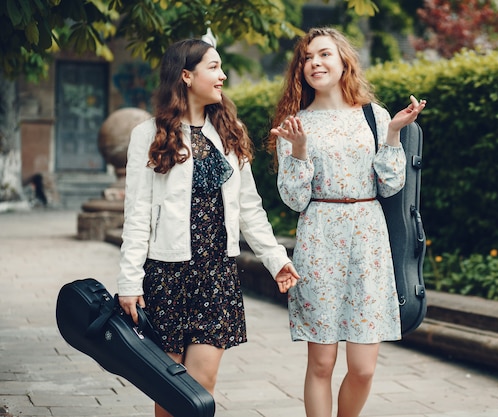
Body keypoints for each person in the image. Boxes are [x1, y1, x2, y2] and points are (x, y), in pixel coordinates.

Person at [116, 38, 299, 417]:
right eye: (213, 67)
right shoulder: (148, 135)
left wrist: (275, 259)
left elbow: (249, 207)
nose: (223, 75)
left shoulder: (229, 131)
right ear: (186, 75)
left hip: (216, 275)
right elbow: (136, 215)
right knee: (170, 390)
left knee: (203, 388)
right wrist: (129, 282)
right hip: (167, 274)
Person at [267, 27, 427, 417]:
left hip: (367, 238)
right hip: (319, 237)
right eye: (307, 57)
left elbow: (390, 186)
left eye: (323, 54)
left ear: (344, 62)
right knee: (321, 364)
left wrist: (392, 135)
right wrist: (300, 151)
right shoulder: (296, 124)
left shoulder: (375, 116)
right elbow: (293, 199)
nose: (314, 63)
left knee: (363, 368)